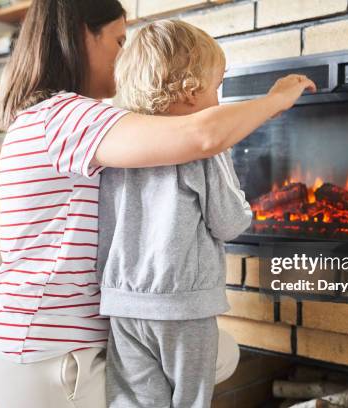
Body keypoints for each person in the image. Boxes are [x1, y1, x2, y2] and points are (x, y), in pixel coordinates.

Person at [0, 0, 316, 407]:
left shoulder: (39, 118)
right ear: (85, 34)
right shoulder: (67, 116)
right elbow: (203, 137)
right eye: (119, 40)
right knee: (218, 354)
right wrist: (277, 99)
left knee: (205, 351)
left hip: (15, 346)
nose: (124, 55)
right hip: (54, 361)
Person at [97, 20, 254, 407]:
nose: (218, 100)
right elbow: (229, 222)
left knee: (134, 399)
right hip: (183, 303)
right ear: (190, 91)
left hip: (123, 303)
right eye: (217, 87)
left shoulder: (118, 146)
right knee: (189, 399)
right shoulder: (204, 146)